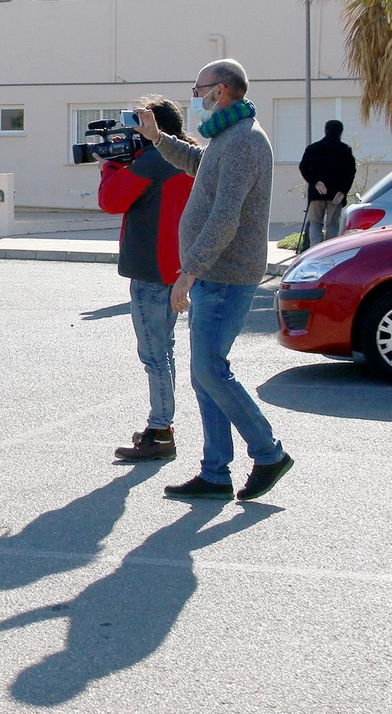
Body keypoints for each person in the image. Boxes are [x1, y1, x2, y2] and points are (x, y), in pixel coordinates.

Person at [133, 59, 293, 501]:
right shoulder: (229, 137)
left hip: (224, 275)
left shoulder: (244, 140)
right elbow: (197, 163)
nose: (195, 96)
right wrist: (158, 138)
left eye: (198, 88)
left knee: (209, 371)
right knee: (207, 375)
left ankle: (268, 453)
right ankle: (216, 473)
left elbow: (225, 216)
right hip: (215, 275)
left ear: (220, 90)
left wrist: (190, 271)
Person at [97, 96, 194, 463]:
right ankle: (162, 426)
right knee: (164, 350)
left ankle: (160, 430)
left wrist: (109, 167)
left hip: (152, 270)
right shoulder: (188, 156)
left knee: (154, 354)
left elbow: (111, 200)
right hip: (182, 269)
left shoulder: (154, 160)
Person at [299, 119, 357, 247]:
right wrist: (343, 191)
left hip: (316, 194)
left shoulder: (313, 148)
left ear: (325, 131)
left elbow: (303, 167)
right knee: (332, 225)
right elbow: (350, 172)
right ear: (341, 132)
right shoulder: (345, 149)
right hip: (336, 195)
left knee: (315, 223)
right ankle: (329, 251)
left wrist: (315, 182)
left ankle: (315, 251)